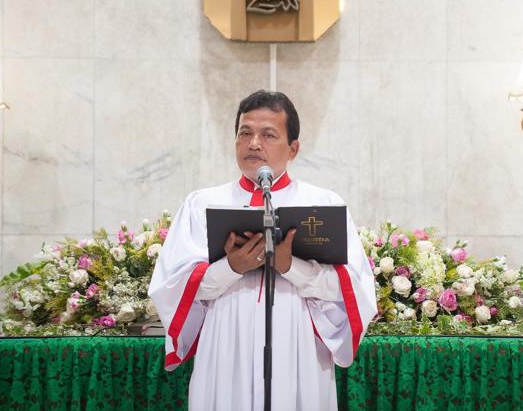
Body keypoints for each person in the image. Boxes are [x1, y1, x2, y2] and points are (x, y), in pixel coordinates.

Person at [148, 90, 377, 410]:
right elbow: (172, 287)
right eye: (245, 133)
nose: (254, 143)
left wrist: (290, 266)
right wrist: (231, 267)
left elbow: (352, 289)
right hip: (226, 338)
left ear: (293, 148)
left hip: (296, 341)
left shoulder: (324, 203)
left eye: (268, 135)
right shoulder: (200, 204)